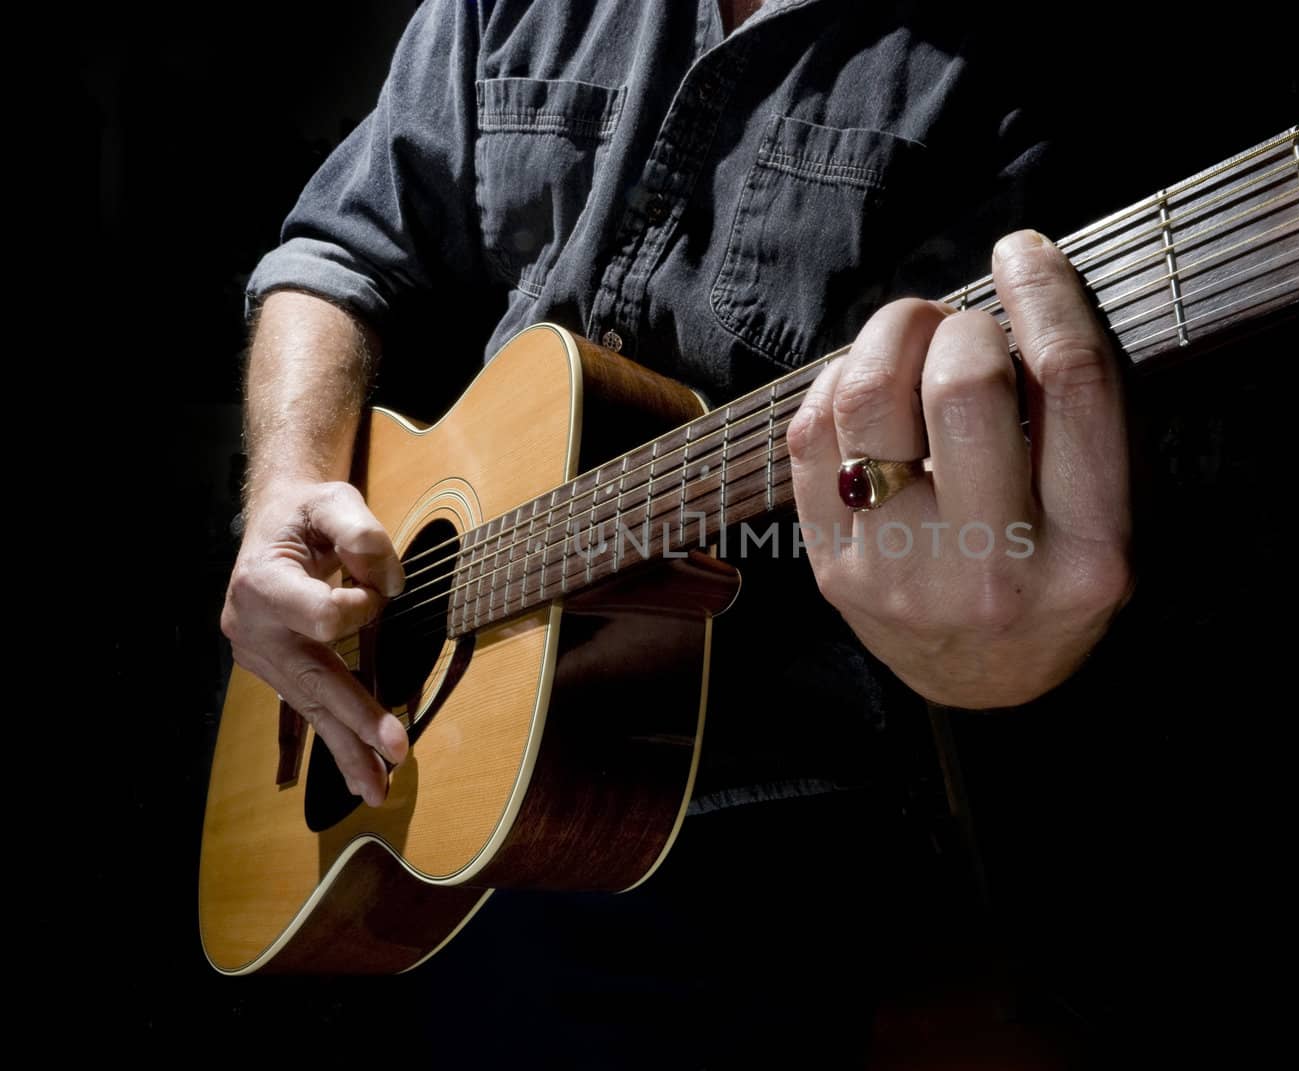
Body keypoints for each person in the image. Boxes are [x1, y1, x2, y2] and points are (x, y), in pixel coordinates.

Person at [220, 0, 1131, 1060]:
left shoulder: (1026, 73)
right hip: (441, 798)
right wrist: (284, 489)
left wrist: (997, 647)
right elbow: (335, 249)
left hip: (760, 839)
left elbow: (1012, 519)